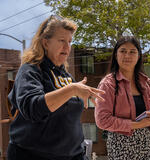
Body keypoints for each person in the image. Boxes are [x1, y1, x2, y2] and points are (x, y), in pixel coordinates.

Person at [7, 15, 105, 160]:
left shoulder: (66, 77)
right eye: (61, 41)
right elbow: (32, 108)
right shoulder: (30, 70)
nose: (67, 47)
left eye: (70, 41)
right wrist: (72, 90)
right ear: (45, 43)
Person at [95, 36, 150, 160]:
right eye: (123, 51)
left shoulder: (147, 83)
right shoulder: (107, 84)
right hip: (120, 145)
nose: (127, 55)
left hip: (147, 143)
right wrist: (136, 125)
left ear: (138, 56)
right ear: (116, 55)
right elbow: (102, 120)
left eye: (132, 52)